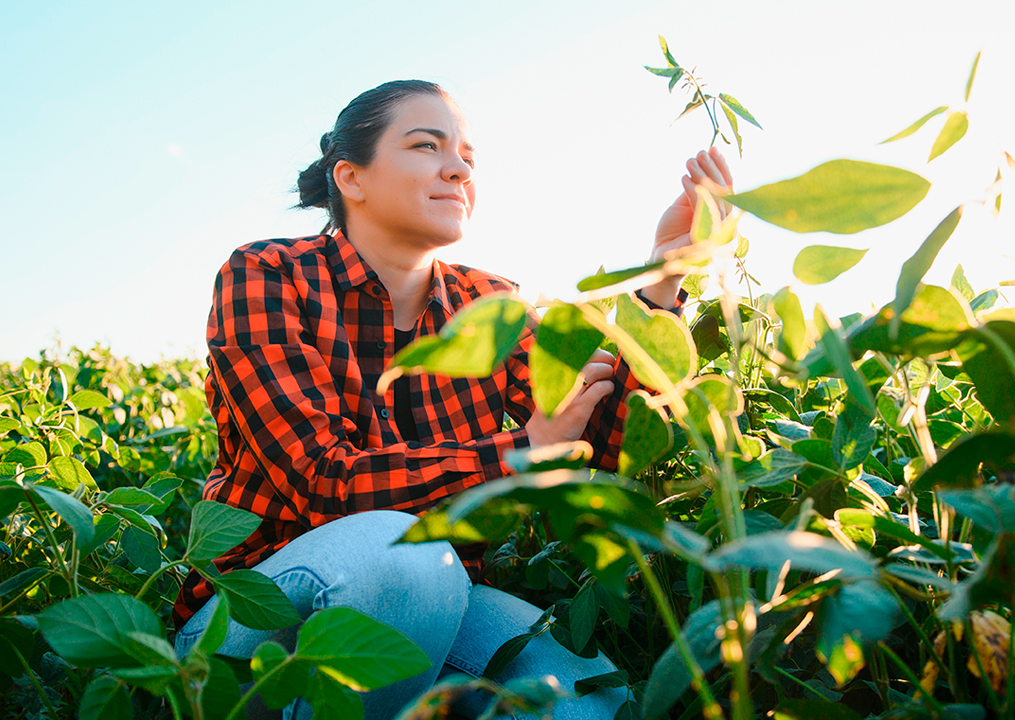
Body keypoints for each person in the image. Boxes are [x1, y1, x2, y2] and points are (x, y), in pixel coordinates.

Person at [171, 79, 733, 719]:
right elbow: (321, 484)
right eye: (425, 145)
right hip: (256, 619)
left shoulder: (493, 304)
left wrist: (663, 278)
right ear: (351, 178)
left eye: (467, 154)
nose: (458, 168)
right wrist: (523, 450)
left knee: (587, 701)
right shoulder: (268, 275)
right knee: (404, 558)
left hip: (442, 598)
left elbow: (598, 445)